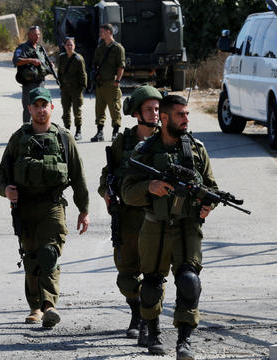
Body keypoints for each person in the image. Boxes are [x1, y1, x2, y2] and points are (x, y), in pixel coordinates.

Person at [121, 95, 217, 359]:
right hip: (155, 225)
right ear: (164, 118)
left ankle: (184, 341)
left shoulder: (196, 149)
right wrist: (149, 187)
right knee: (151, 284)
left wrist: (209, 204)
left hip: (188, 226)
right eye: (180, 115)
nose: (186, 119)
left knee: (189, 281)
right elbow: (127, 192)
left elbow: (212, 187)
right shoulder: (146, 151)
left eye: (187, 114)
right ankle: (153, 332)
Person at [0, 87, 90, 329]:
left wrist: (84, 209)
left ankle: (49, 305)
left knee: (49, 254)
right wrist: (5, 190)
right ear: (29, 109)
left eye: (44, 105)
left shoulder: (63, 138)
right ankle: (35, 307)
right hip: (24, 206)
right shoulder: (19, 138)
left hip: (52, 205)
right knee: (31, 258)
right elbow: (0, 173)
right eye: (35, 105)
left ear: (51, 107)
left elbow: (78, 176)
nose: (40, 109)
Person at [98, 85, 162, 346]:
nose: (155, 114)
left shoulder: (167, 139)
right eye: (149, 109)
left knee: (153, 274)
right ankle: (136, 311)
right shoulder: (123, 141)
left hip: (156, 217)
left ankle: (148, 322)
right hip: (126, 216)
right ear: (136, 113)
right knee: (126, 274)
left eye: (158, 109)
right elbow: (107, 173)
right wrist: (105, 192)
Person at [90, 23, 125, 143]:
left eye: (102, 32)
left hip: (112, 83)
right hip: (100, 84)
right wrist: (95, 73)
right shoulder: (100, 47)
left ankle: (115, 133)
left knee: (114, 109)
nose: (100, 34)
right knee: (99, 109)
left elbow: (121, 66)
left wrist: (117, 81)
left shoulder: (118, 48)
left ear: (109, 32)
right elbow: (95, 62)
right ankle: (99, 133)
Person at [13, 26, 52, 124]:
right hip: (29, 84)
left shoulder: (40, 48)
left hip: (41, 83)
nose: (37, 36)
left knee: (42, 109)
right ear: (29, 35)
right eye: (35, 34)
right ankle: (26, 131)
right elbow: (16, 61)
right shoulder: (22, 48)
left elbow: (43, 63)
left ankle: (40, 130)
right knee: (29, 109)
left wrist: (49, 64)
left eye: (38, 34)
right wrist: (31, 60)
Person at [57, 37, 87, 141]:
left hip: (76, 89)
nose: (69, 47)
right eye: (67, 45)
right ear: (64, 46)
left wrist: (81, 88)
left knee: (77, 111)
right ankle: (67, 130)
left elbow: (83, 74)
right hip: (65, 89)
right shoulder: (62, 57)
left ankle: (78, 131)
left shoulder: (78, 59)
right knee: (66, 111)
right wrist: (61, 84)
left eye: (71, 45)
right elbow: (59, 73)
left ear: (74, 46)